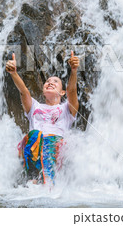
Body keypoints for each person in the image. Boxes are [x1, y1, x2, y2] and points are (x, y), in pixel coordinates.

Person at [6, 50, 80, 185]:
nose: (50, 82)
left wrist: (74, 71)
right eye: (47, 81)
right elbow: (23, 92)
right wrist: (14, 74)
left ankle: (47, 183)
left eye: (55, 82)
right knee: (35, 135)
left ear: (62, 92)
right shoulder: (34, 106)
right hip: (34, 146)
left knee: (58, 142)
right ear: (43, 90)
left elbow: (72, 91)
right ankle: (34, 177)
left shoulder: (67, 109)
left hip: (55, 148)